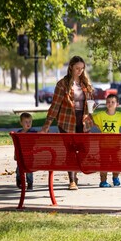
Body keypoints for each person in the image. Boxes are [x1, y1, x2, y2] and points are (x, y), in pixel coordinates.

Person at [41, 55, 94, 190]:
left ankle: (74, 171)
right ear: (70, 67)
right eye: (77, 68)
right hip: (66, 122)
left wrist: (92, 113)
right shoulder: (62, 84)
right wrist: (47, 125)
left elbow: (90, 104)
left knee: (83, 150)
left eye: (82, 68)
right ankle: (72, 180)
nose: (80, 71)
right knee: (70, 151)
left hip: (83, 121)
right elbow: (55, 106)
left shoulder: (85, 84)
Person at [92, 93, 121, 187]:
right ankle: (103, 181)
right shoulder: (100, 115)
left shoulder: (120, 116)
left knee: (116, 162)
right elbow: (90, 120)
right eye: (108, 102)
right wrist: (91, 116)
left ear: (117, 104)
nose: (110, 104)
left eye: (113, 102)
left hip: (115, 144)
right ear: (105, 103)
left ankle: (115, 178)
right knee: (104, 162)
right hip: (103, 145)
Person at [15, 112, 37, 190]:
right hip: (21, 155)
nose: (28, 124)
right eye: (26, 122)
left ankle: (30, 183)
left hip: (30, 155)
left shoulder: (33, 132)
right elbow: (16, 146)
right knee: (19, 169)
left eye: (30, 122)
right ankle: (19, 179)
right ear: (21, 123)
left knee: (29, 170)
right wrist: (15, 154)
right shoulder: (18, 133)